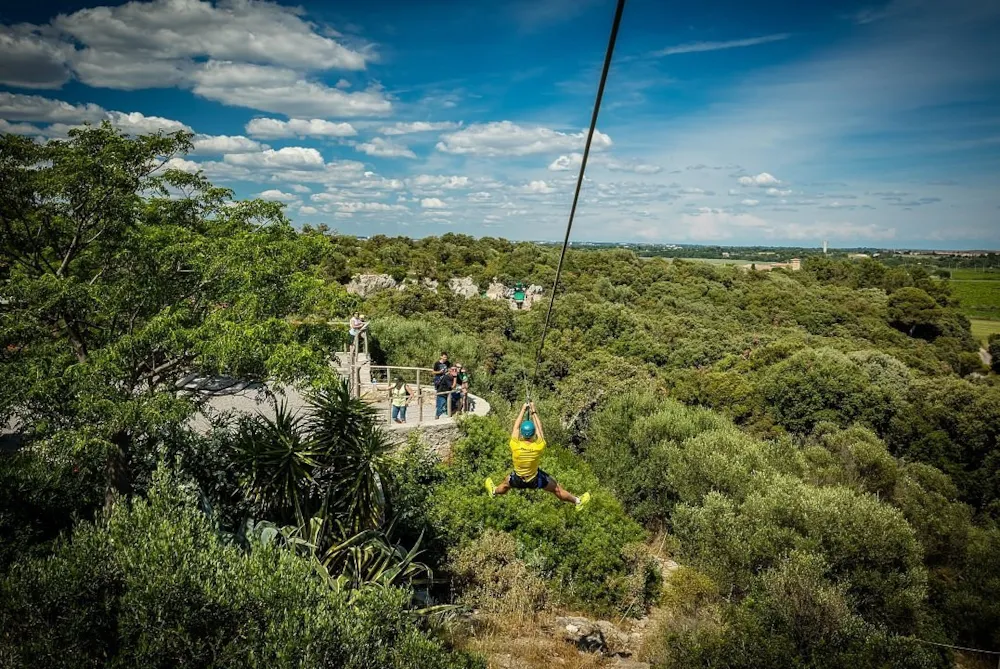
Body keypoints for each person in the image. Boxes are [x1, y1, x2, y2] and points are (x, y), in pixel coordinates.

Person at [485, 402, 590, 510]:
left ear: (522, 434)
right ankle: (578, 501)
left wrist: (523, 409)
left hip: (517, 478)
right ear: (533, 434)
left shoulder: (515, 445)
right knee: (557, 489)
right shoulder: (538, 446)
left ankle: (493, 491)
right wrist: (533, 411)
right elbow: (540, 430)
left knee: (505, 484)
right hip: (534, 479)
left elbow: (515, 428)